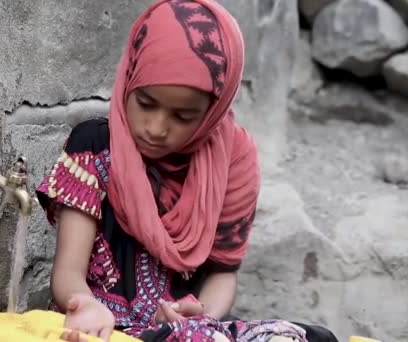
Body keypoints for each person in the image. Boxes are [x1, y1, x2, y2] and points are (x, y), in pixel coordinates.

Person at [36, 1, 338, 341]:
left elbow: (223, 275)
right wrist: (85, 305)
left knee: (311, 338)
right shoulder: (93, 145)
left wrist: (200, 314)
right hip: (106, 328)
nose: (156, 127)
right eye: (146, 104)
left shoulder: (232, 159)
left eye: (183, 117)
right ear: (129, 79)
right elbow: (67, 273)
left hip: (190, 330)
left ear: (214, 109)